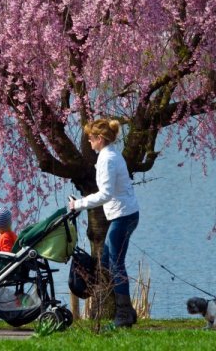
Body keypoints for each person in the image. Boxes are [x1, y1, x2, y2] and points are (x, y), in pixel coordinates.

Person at [69, 118, 140, 328]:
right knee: (109, 261)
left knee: (115, 264)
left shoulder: (108, 159)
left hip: (123, 216)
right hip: (124, 214)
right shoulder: (109, 155)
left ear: (99, 139)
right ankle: (127, 310)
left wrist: (79, 204)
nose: (89, 143)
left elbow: (106, 194)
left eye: (90, 139)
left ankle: (124, 315)